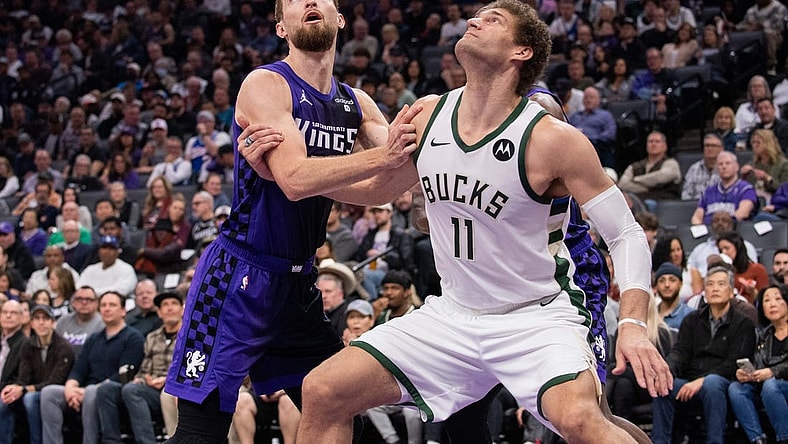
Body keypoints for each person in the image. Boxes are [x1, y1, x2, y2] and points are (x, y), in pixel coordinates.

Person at [297, 2, 670, 443]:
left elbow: (627, 234)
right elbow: (377, 189)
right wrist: (287, 175)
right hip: (452, 314)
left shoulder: (552, 138)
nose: (474, 20)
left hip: (534, 317)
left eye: (492, 20)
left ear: (522, 51)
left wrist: (631, 325)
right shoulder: (429, 113)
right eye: (475, 15)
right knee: (321, 390)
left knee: (583, 421)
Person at [162, 0, 423, 440]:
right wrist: (384, 156)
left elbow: (385, 185)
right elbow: (298, 180)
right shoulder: (266, 84)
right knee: (200, 432)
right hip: (237, 278)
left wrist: (427, 134)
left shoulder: (353, 103)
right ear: (281, 26)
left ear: (340, 19)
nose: (310, 2)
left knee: (338, 416)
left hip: (300, 283)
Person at [651, 266, 756, 444]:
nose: (715, 288)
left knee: (712, 383)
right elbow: (679, 352)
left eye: (721, 284)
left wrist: (702, 381)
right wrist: (665, 370)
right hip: (689, 380)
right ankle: (660, 441)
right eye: (710, 284)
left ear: (731, 292)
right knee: (664, 384)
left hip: (723, 381)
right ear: (704, 292)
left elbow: (734, 363)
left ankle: (715, 441)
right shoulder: (691, 320)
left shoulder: (743, 323)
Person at [40, 291, 144, 444]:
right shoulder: (94, 338)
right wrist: (70, 387)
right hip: (86, 390)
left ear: (123, 311)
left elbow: (125, 373)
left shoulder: (133, 337)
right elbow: (79, 368)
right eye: (103, 305)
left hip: (114, 391)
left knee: (92, 391)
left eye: (112, 305)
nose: (107, 309)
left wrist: (86, 389)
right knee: (49, 393)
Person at [97, 291, 183, 444]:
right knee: (107, 389)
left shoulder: (189, 336)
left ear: (182, 310)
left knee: (131, 390)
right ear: (159, 313)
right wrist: (143, 379)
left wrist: (166, 380)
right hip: (150, 390)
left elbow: (191, 367)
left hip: (174, 389)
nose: (169, 308)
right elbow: (144, 369)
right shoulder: (152, 337)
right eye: (165, 305)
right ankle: (111, 441)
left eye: (174, 304)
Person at [0, 304, 74, 444]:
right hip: (32, 391)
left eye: (45, 319)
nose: (41, 323)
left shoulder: (64, 347)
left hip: (57, 393)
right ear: (32, 323)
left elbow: (55, 381)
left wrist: (23, 389)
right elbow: (23, 377)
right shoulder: (28, 345)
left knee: (30, 398)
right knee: (5, 399)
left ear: (53, 322)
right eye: (37, 319)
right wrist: (14, 388)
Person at [728, 284, 788, 444]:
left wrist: (772, 372)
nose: (772, 304)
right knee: (736, 388)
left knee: (771, 386)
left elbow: (772, 372)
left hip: (781, 384)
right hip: (765, 386)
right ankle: (758, 439)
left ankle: (784, 438)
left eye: (777, 298)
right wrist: (748, 373)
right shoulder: (763, 336)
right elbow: (758, 363)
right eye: (766, 300)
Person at [691, 151, 758, 225]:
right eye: (720, 164)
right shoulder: (708, 191)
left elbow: (743, 213)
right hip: (708, 231)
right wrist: (699, 229)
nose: (724, 166)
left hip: (733, 231)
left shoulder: (745, 189)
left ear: (736, 167)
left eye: (728, 163)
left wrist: (722, 225)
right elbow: (697, 216)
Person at [618, 131, 682, 202]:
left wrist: (635, 180)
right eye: (650, 141)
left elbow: (660, 178)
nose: (653, 144)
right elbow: (623, 184)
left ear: (665, 146)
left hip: (664, 203)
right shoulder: (635, 166)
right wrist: (648, 189)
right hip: (637, 203)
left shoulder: (671, 163)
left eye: (657, 141)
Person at [567, 86, 616, 169]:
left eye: (591, 97)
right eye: (586, 97)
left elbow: (610, 134)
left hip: (596, 148)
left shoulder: (605, 115)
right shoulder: (574, 116)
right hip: (573, 147)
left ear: (598, 100)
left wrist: (588, 138)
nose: (588, 100)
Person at [717, 231, 769, 303]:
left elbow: (765, 299)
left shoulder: (757, 269)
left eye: (727, 248)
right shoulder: (720, 272)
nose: (723, 252)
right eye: (720, 250)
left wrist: (751, 291)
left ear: (738, 248)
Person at [55, 286, 104, 358]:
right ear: (73, 303)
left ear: (96, 303)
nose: (84, 303)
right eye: (79, 299)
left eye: (89, 299)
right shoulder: (63, 321)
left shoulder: (102, 324)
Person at [653, 262, 694, 330]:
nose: (667, 285)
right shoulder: (650, 315)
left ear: (680, 284)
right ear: (656, 286)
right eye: (661, 281)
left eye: (672, 280)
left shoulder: (690, 316)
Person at [681, 133, 722, 201]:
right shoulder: (694, 169)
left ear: (721, 149)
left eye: (713, 146)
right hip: (695, 207)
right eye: (707, 145)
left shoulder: (726, 169)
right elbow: (685, 195)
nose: (710, 148)